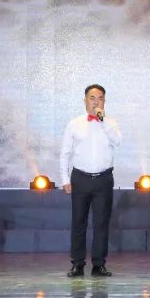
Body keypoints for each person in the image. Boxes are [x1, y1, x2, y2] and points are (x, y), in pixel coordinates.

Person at [59, 84, 122, 278]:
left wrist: (103, 121)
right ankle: (77, 264)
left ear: (104, 101)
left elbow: (118, 141)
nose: (96, 102)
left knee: (101, 223)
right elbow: (65, 153)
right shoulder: (74, 124)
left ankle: (99, 264)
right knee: (79, 222)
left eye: (100, 98)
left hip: (103, 179)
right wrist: (64, 178)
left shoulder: (111, 123)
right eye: (92, 98)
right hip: (80, 178)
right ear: (85, 100)